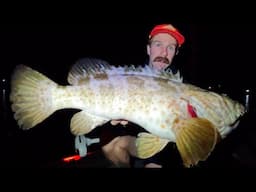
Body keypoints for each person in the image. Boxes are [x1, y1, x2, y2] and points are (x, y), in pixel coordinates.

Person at [99, 23, 186, 168]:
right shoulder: (132, 76)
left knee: (153, 165)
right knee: (110, 145)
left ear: (176, 53)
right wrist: (113, 118)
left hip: (167, 142)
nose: (164, 53)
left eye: (170, 48)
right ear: (148, 49)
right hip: (140, 135)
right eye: (158, 44)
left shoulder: (182, 84)